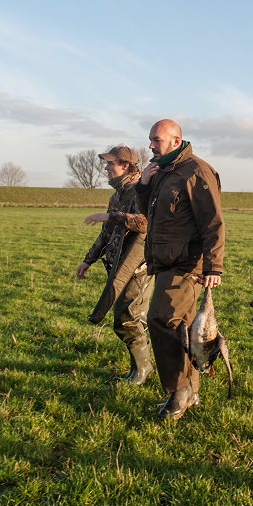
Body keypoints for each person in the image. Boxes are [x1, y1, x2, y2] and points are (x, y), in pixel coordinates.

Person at [135, 119, 224, 421]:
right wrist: (144, 186)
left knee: (162, 320)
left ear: (175, 141)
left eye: (156, 140)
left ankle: (178, 390)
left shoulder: (196, 172)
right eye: (150, 139)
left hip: (187, 264)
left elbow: (213, 222)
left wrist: (214, 267)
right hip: (166, 262)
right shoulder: (164, 172)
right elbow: (151, 213)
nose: (150, 145)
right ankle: (191, 391)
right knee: (182, 329)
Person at [75, 145, 155, 386]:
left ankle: (143, 371)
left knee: (128, 318)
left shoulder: (139, 191)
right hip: (118, 267)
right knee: (127, 318)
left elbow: (145, 223)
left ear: (126, 166)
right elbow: (106, 234)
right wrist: (88, 260)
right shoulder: (117, 194)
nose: (106, 167)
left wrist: (110, 216)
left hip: (138, 267)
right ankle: (140, 368)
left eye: (111, 163)